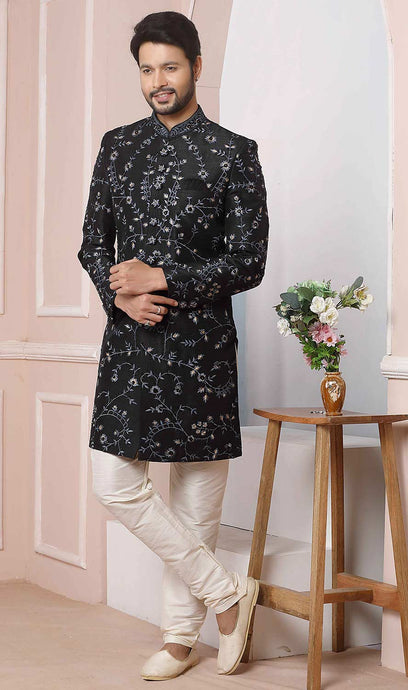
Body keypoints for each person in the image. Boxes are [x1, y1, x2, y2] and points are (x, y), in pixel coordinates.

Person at [78, 10, 269, 681]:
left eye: (170, 66)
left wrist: (162, 278)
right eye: (147, 69)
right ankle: (228, 595)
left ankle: (181, 639)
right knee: (113, 481)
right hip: (131, 345)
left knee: (196, 504)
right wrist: (122, 296)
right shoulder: (117, 147)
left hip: (202, 350)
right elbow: (92, 243)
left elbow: (248, 262)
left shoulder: (233, 153)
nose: (158, 80)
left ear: (195, 67)